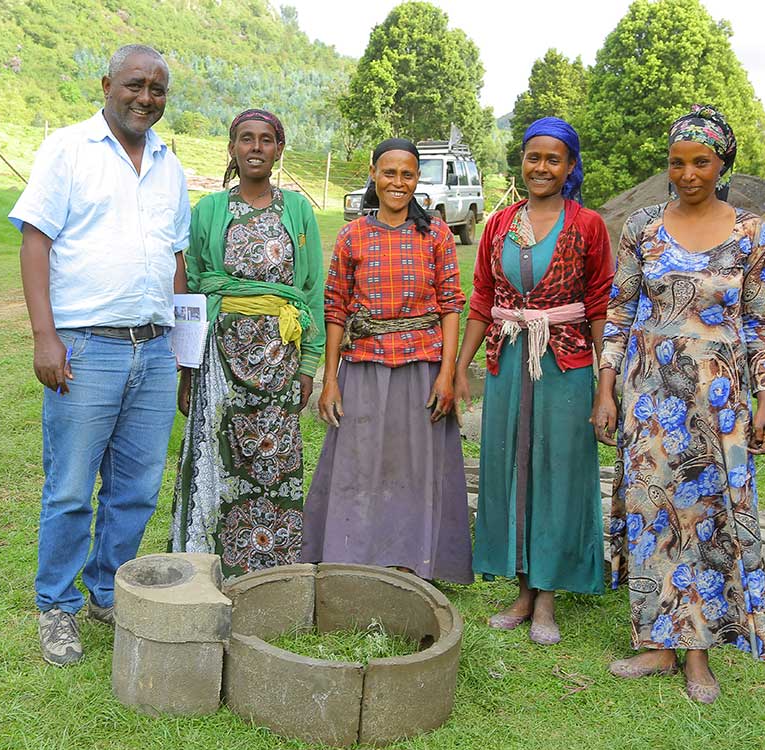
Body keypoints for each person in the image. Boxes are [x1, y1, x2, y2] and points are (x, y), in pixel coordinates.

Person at [10, 45, 190, 666]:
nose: (146, 97)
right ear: (108, 83)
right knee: (68, 488)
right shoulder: (69, 149)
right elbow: (37, 241)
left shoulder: (169, 165)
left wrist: (181, 350)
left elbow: (176, 261)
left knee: (137, 487)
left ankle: (106, 591)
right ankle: (55, 606)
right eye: (136, 85)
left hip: (155, 348)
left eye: (158, 89)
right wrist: (45, 336)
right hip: (85, 348)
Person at [593, 104, 765, 703]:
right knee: (653, 518)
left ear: (722, 164)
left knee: (704, 522)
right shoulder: (643, 227)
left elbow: (758, 322)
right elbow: (620, 312)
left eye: (701, 161)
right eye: (677, 162)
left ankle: (699, 653)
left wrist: (764, 397)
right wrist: (607, 389)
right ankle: (658, 644)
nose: (688, 173)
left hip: (717, 405)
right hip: (648, 399)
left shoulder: (750, 232)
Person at [455, 117, 613, 645]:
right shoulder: (500, 224)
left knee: (559, 470)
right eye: (532, 157)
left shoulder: (586, 225)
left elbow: (598, 304)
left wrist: (606, 383)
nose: (541, 167)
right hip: (507, 360)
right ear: (520, 161)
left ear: (570, 166)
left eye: (553, 159)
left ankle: (547, 595)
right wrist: (461, 367)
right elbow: (481, 298)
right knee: (511, 466)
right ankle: (522, 588)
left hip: (565, 365)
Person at [300, 138, 472, 584]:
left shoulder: (434, 233)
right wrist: (331, 380)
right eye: (389, 173)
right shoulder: (353, 234)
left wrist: (448, 374)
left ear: (418, 180)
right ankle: (353, 555)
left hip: (422, 367)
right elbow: (335, 308)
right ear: (374, 174)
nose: (398, 182)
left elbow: (452, 305)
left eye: (408, 174)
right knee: (359, 462)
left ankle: (412, 560)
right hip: (364, 365)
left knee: (414, 466)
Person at [170, 109, 324, 579]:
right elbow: (192, 290)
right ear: (232, 149)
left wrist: (308, 364)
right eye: (246, 139)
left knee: (272, 457)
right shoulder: (209, 211)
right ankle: (208, 564)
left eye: (266, 140)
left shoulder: (297, 210)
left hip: (281, 354)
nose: (256, 147)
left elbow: (312, 286)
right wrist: (187, 366)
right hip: (218, 356)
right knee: (216, 453)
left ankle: (272, 568)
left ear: (279, 150)